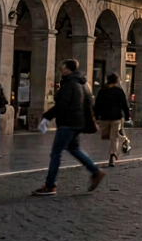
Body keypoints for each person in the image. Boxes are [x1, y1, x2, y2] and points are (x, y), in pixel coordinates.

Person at [33, 59, 105, 196]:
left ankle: (50, 185)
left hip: (68, 122)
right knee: (74, 149)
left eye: (62, 67)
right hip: (77, 122)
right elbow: (90, 102)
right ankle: (96, 172)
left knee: (56, 153)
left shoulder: (70, 84)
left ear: (67, 69)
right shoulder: (82, 83)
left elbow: (62, 105)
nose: (61, 69)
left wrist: (47, 117)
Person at [93, 73, 131, 166]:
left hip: (104, 118)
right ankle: (113, 154)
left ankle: (112, 154)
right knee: (113, 137)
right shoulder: (119, 91)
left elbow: (97, 105)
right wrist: (127, 116)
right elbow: (124, 105)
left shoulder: (102, 91)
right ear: (116, 81)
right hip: (116, 117)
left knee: (110, 137)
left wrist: (96, 116)